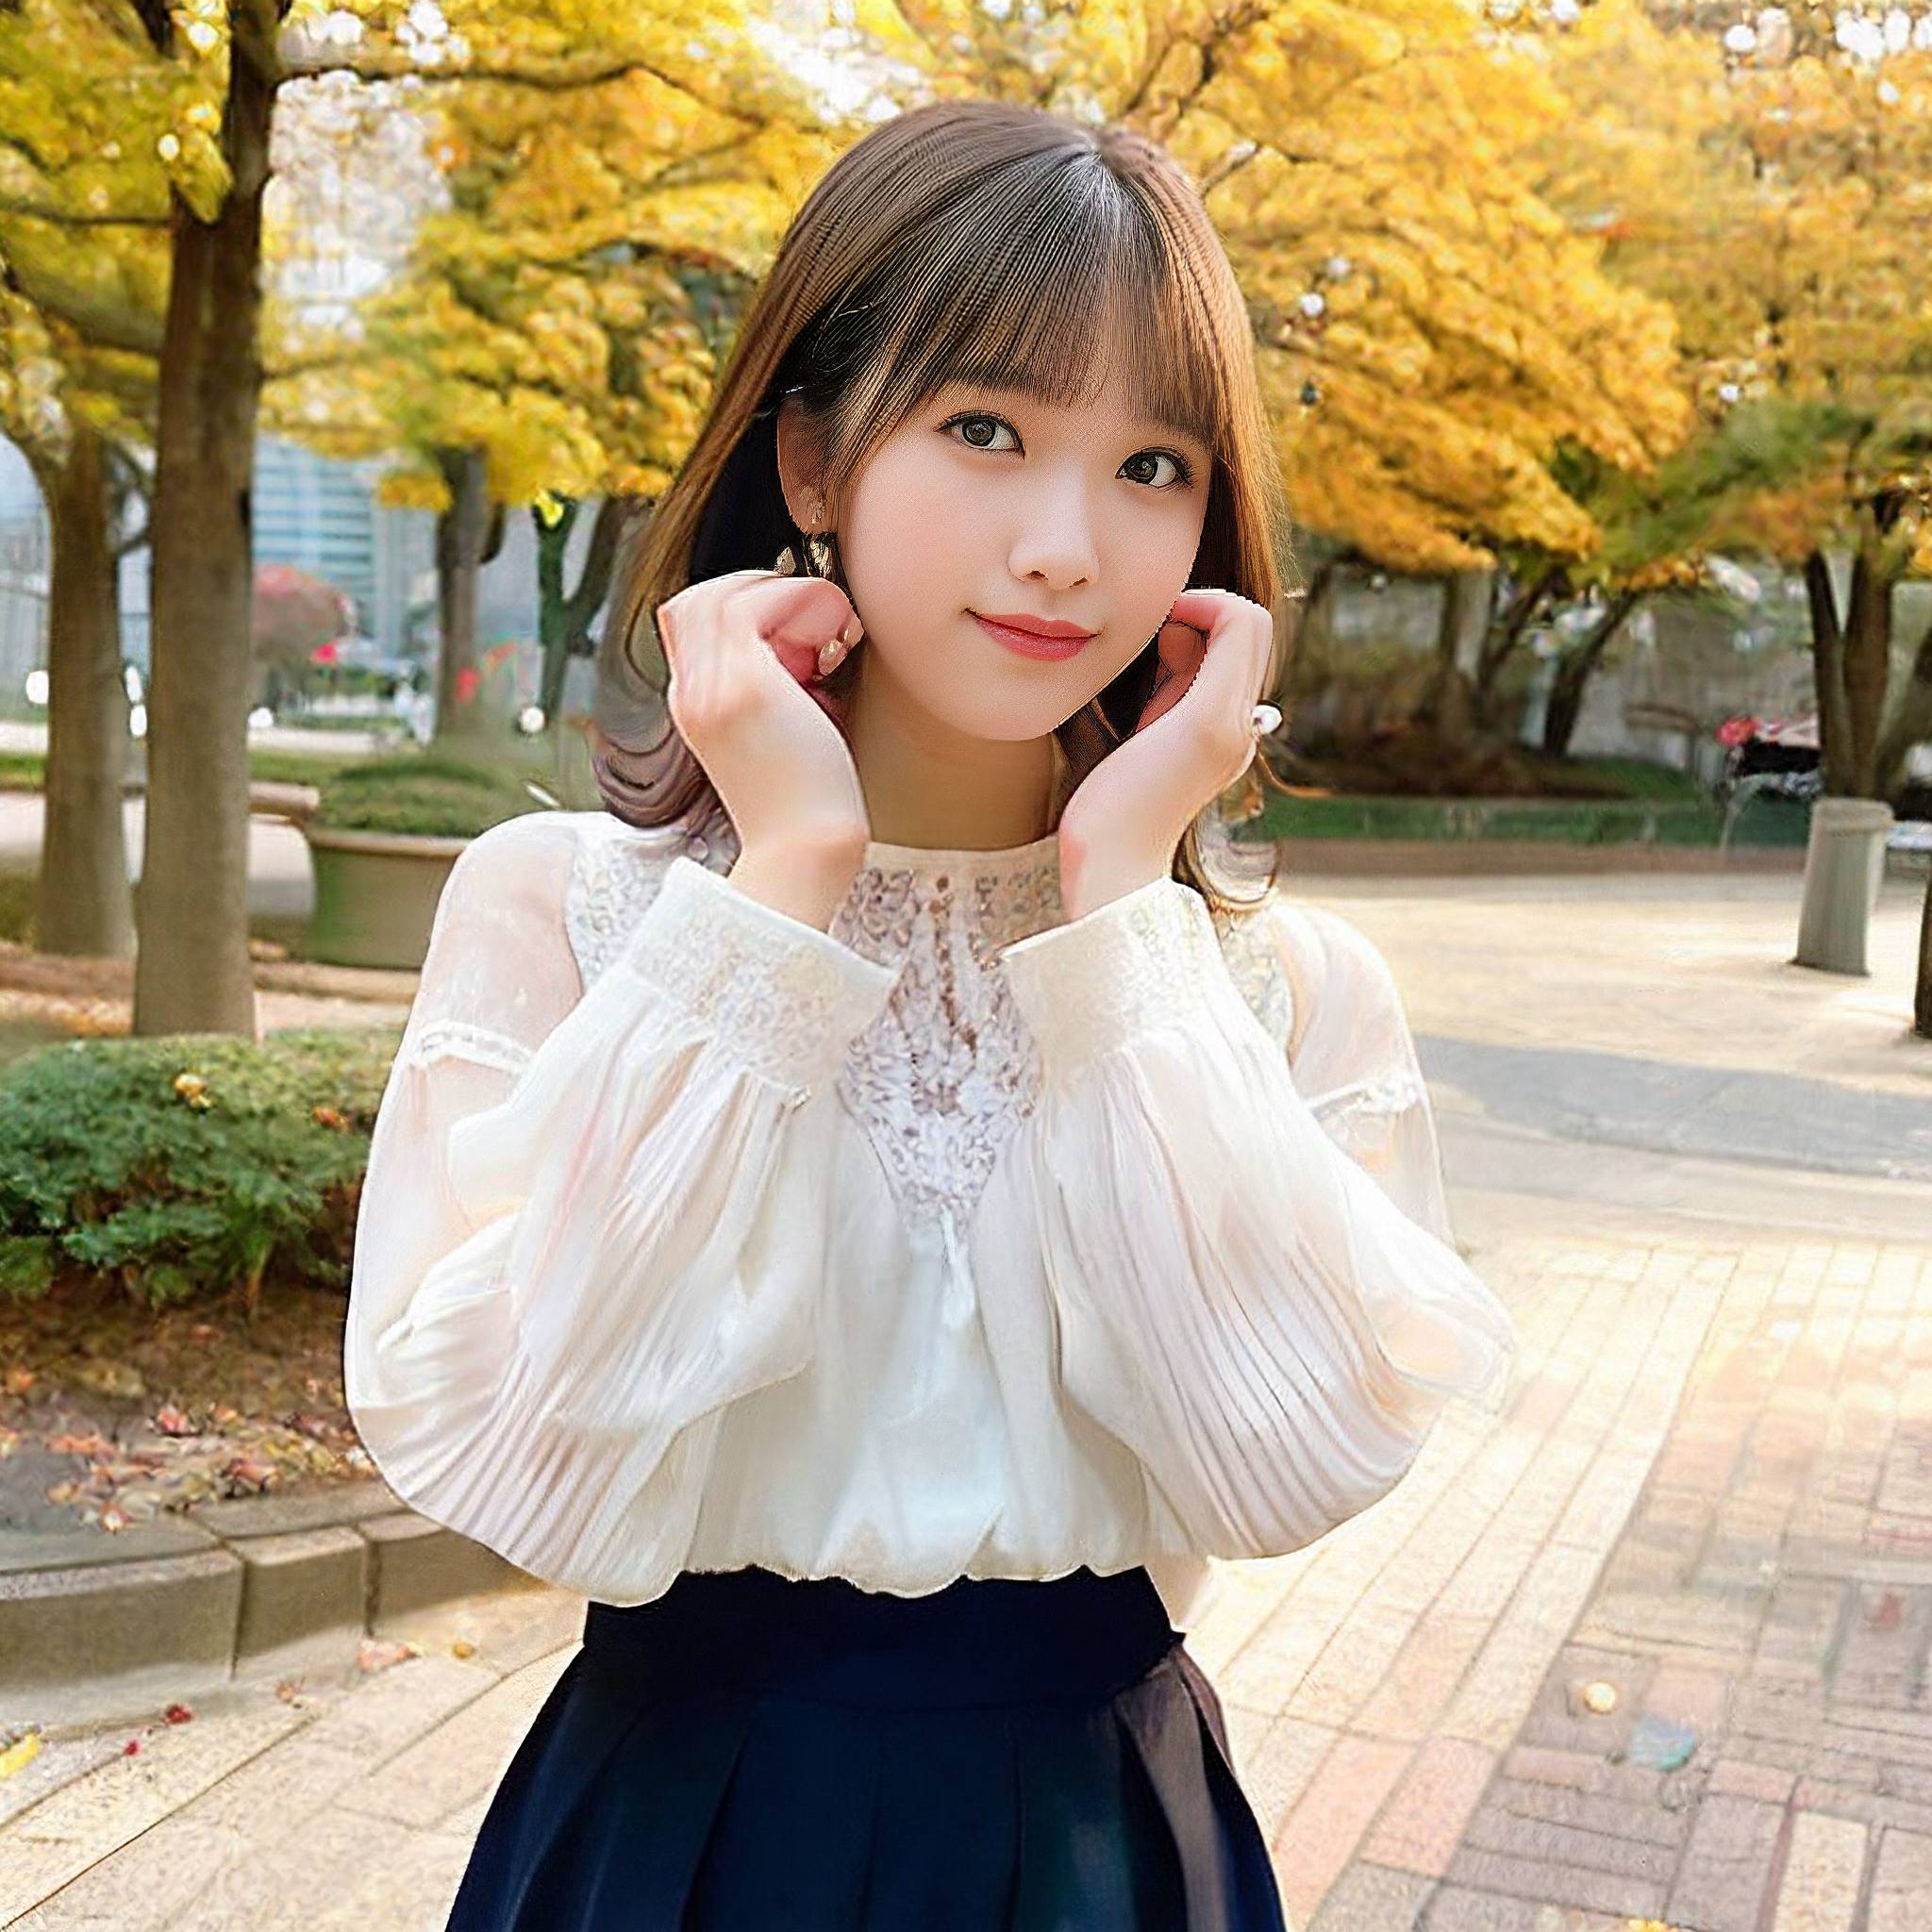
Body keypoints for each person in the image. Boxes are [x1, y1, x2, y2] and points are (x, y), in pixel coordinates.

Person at [342, 96, 1521, 1932]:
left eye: (1151, 464)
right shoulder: (569, 912)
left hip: (1095, 1846)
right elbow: (513, 1455)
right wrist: (791, 872)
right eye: (986, 429)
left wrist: (1117, 904)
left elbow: (1289, 1462)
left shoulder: (1269, 990)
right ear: (813, 458)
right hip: (680, 1834)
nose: (1066, 546)